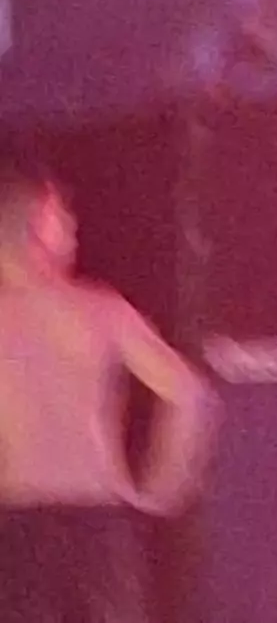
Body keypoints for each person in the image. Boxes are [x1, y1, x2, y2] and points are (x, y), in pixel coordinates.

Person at [0, 152, 217, 622]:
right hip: (98, 524)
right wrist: (162, 486)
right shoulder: (101, 312)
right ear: (38, 222)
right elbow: (189, 394)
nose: (74, 229)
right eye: (64, 216)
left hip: (13, 529)